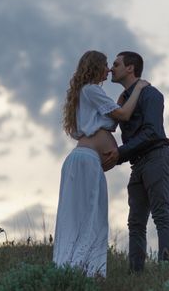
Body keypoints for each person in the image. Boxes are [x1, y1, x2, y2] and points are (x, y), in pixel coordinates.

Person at [53, 50, 149, 277]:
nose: (108, 70)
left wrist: (121, 101)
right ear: (95, 66)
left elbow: (112, 121)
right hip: (85, 160)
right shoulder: (91, 90)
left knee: (87, 217)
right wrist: (139, 88)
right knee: (86, 218)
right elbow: (124, 115)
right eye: (106, 65)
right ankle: (77, 272)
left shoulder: (88, 94)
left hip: (86, 161)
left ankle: (82, 271)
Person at [103, 51, 169, 272]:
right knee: (135, 223)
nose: (110, 69)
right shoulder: (124, 100)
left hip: (156, 157)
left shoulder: (151, 94)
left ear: (130, 68)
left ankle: (166, 273)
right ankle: (135, 274)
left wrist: (120, 153)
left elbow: (152, 132)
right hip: (137, 164)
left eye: (116, 64)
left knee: (161, 214)